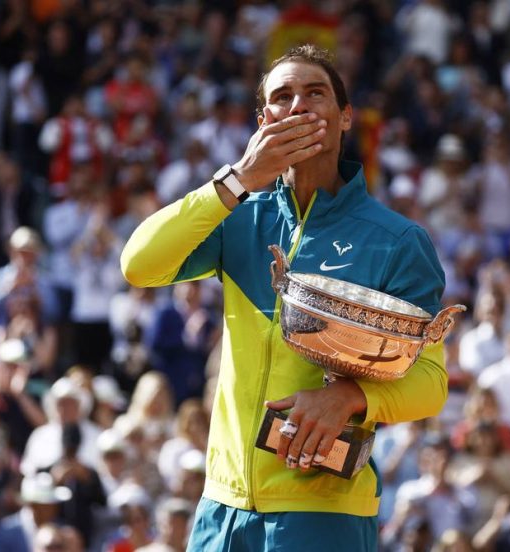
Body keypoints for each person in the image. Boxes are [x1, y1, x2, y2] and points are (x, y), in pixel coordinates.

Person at [120, 45, 449, 550]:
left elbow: (430, 380)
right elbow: (138, 265)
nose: (297, 106)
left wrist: (350, 396)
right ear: (262, 121)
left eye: (315, 93)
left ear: (344, 117)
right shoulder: (236, 215)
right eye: (282, 97)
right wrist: (240, 180)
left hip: (323, 513)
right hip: (221, 506)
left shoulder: (397, 241)